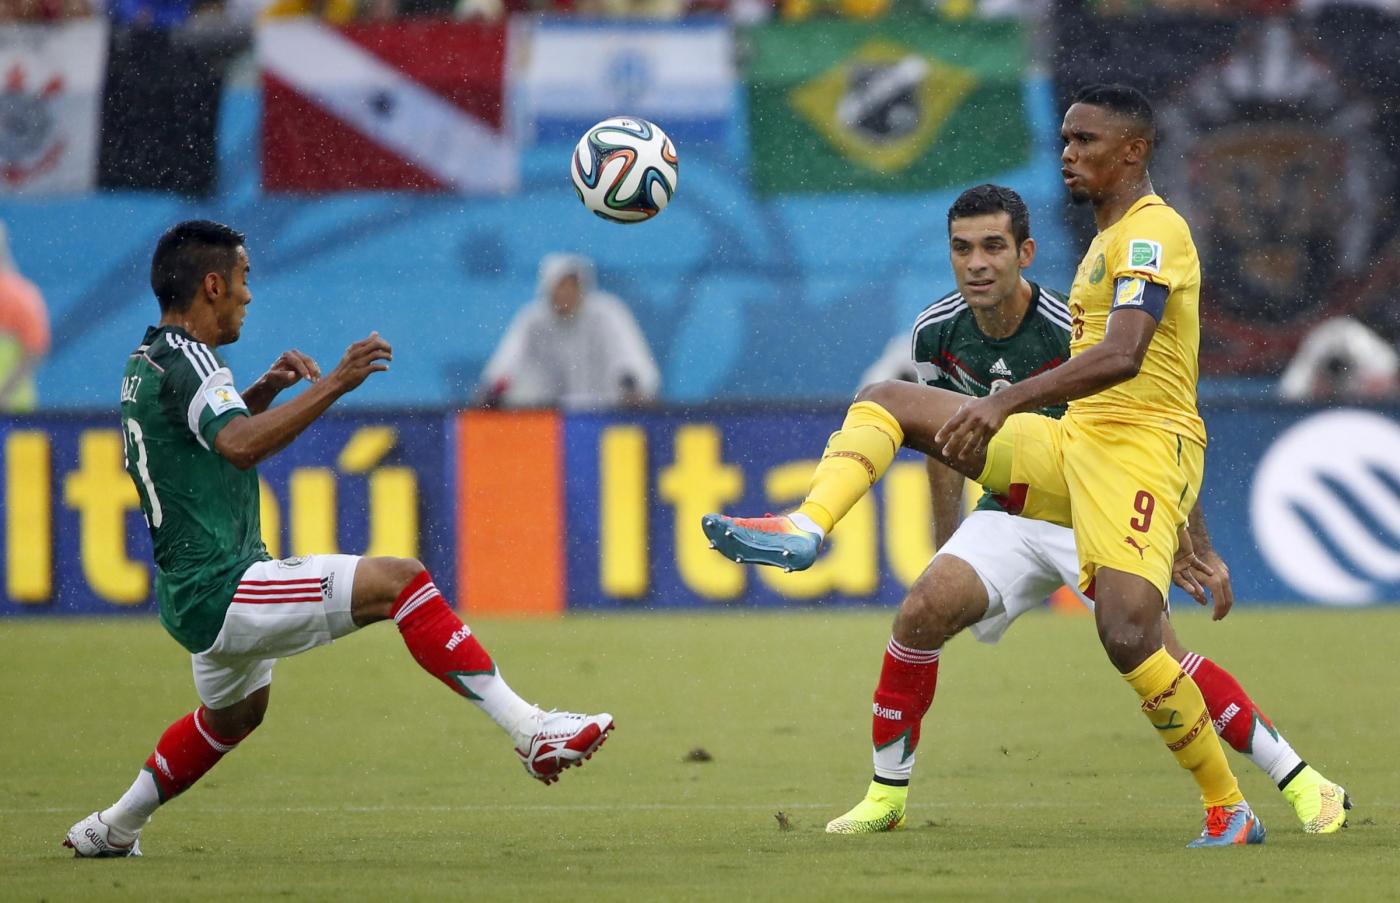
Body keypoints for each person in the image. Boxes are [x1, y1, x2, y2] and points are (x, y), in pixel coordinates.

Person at [703, 86, 1276, 847]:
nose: (1067, 153)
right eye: (1065, 139)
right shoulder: (1086, 253)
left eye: (1085, 140)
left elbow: (1128, 362)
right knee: (889, 411)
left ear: (1133, 151)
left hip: (1126, 466)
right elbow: (977, 436)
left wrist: (1185, 533)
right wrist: (951, 534)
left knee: (1134, 637)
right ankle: (808, 528)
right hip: (1059, 463)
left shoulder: (1149, 235)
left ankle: (1258, 792)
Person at [64, 221, 613, 858]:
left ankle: (114, 826)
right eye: (242, 279)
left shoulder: (150, 359)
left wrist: (262, 392)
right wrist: (336, 383)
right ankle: (531, 730)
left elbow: (199, 440)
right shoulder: (193, 360)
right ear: (212, 286)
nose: (248, 294)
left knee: (234, 717)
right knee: (400, 581)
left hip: (191, 590)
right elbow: (237, 446)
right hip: (223, 586)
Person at [827, 184, 1349, 836]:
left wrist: (1189, 536)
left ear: (1025, 253)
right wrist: (946, 543)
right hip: (1012, 510)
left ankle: (1301, 780)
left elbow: (1155, 421)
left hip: (1099, 504)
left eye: (993, 247)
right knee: (920, 611)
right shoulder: (936, 332)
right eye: (963, 249)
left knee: (1153, 650)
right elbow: (947, 446)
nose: (978, 263)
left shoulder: (1068, 324)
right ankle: (886, 797)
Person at [477, 253, 660, 410]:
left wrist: (632, 385)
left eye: (572, 286)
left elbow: (630, 359)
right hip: (546, 419)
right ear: (547, 288)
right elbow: (508, 361)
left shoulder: (607, 315)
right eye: (560, 286)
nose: (566, 293)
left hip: (605, 416)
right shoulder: (533, 321)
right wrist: (494, 389)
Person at [0, 223, 51, 413]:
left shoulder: (18, 296)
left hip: (12, 408)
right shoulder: (22, 294)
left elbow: (34, 352)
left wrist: (4, 394)